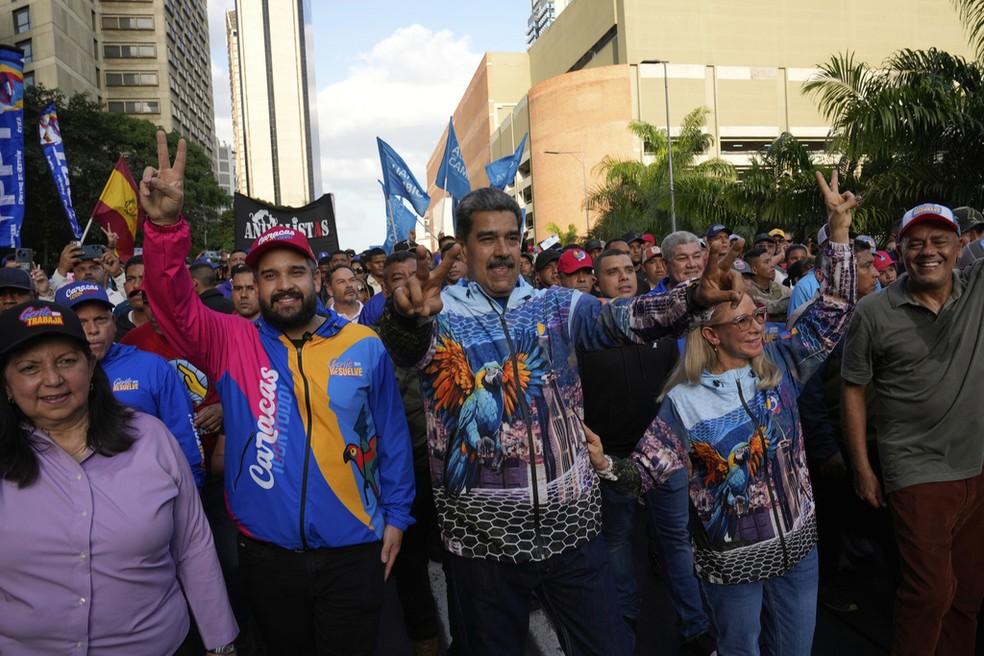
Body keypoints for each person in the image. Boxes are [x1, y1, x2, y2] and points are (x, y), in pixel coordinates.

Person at [377, 186, 744, 656]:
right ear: (464, 250)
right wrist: (406, 318)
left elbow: (624, 320)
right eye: (487, 239)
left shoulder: (556, 306)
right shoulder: (439, 317)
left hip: (572, 531)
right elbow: (403, 346)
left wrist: (692, 298)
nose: (502, 250)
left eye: (511, 238)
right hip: (480, 542)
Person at [139, 132, 415, 655]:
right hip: (267, 554)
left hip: (356, 547)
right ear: (256, 285)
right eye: (269, 275)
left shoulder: (364, 344)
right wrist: (164, 228)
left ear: (317, 276)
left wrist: (397, 517)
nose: (283, 285)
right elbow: (172, 306)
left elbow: (392, 439)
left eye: (294, 271)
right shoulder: (232, 340)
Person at [586, 171, 858, 656]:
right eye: (742, 320)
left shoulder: (782, 366)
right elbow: (640, 476)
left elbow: (835, 306)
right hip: (732, 568)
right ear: (711, 334)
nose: (757, 326)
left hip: (799, 553)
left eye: (758, 316)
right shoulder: (683, 403)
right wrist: (604, 462)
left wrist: (838, 234)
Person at [0, 300, 238, 655]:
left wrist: (221, 643)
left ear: (91, 366)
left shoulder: (150, 438)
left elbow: (192, 545)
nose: (52, 380)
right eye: (29, 368)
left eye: (67, 361)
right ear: (6, 384)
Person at [841, 203, 984, 656]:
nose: (928, 251)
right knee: (930, 592)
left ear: (961, 246)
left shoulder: (977, 289)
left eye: (939, 241)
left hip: (976, 463)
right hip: (915, 468)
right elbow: (853, 389)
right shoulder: (873, 312)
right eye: (916, 242)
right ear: (899, 249)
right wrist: (863, 467)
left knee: (968, 594)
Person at [580, 248, 713, 653]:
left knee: (675, 540)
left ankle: (695, 626)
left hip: (666, 456)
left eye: (628, 270)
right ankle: (626, 625)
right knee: (618, 543)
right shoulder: (586, 335)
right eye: (611, 272)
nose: (622, 278)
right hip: (612, 461)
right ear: (596, 282)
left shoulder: (662, 328)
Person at [55, 280, 205, 487]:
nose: (93, 330)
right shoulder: (45, 378)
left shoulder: (153, 368)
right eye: (81, 322)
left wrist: (189, 498)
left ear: (114, 323)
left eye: (100, 319)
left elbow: (185, 445)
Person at [51, 243, 126, 306]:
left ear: (105, 271)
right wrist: (62, 270)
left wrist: (117, 274)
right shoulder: (67, 299)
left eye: (94, 268)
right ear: (73, 274)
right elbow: (53, 301)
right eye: (81, 269)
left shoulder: (120, 298)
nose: (88, 272)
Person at [744, 246, 792, 322]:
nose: (772, 265)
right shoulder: (747, 292)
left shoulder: (782, 289)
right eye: (766, 262)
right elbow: (766, 307)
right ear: (754, 270)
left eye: (770, 261)